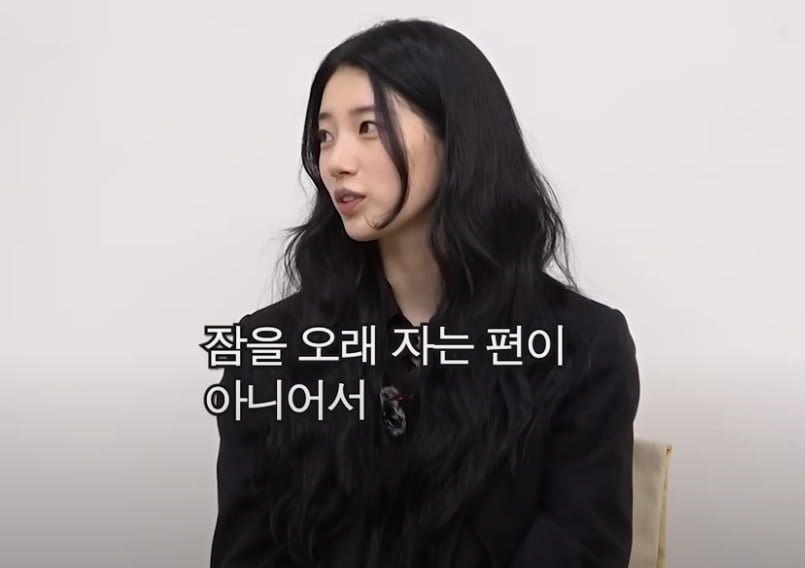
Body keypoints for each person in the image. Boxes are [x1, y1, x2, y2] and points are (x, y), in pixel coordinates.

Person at [210, 17, 640, 568]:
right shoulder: (266, 349)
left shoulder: (582, 347)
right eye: (324, 136)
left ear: (456, 137)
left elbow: (580, 550)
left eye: (368, 127)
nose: (336, 161)